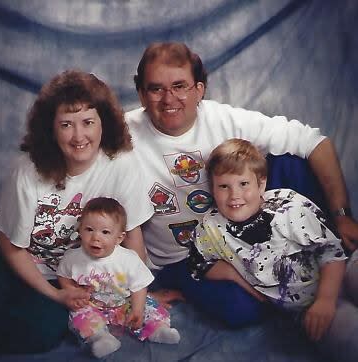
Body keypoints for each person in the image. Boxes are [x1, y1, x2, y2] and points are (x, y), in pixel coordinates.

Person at [0, 70, 154, 362]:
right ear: (51, 129)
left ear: (103, 123)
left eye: (88, 122)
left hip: (54, 269)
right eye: (66, 124)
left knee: (40, 334)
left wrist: (139, 292)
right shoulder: (28, 170)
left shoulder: (121, 164)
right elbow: (10, 245)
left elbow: (131, 234)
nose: (79, 136)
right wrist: (56, 296)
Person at [125, 41, 358, 327]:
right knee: (239, 311)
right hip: (185, 256)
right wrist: (135, 286)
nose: (169, 98)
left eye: (179, 86)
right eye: (156, 88)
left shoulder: (225, 119)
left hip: (250, 230)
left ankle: (331, 251)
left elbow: (315, 143)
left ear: (199, 89)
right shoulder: (122, 137)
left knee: (289, 161)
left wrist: (341, 215)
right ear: (141, 93)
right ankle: (286, 291)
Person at [188, 138, 358, 362]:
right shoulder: (209, 229)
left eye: (243, 184)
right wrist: (238, 277)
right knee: (350, 337)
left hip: (342, 271)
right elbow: (200, 265)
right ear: (212, 189)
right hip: (304, 309)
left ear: (261, 184)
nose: (234, 195)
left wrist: (325, 300)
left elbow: (332, 252)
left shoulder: (289, 206)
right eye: (223, 186)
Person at [57, 197, 180, 358]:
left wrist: (137, 309)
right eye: (89, 229)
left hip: (123, 302)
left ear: (119, 238)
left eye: (105, 232)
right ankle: (100, 338)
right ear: (80, 230)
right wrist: (71, 290)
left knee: (148, 306)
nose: (96, 237)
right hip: (92, 304)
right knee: (78, 314)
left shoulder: (128, 259)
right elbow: (63, 275)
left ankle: (157, 330)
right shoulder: (73, 257)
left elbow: (140, 286)